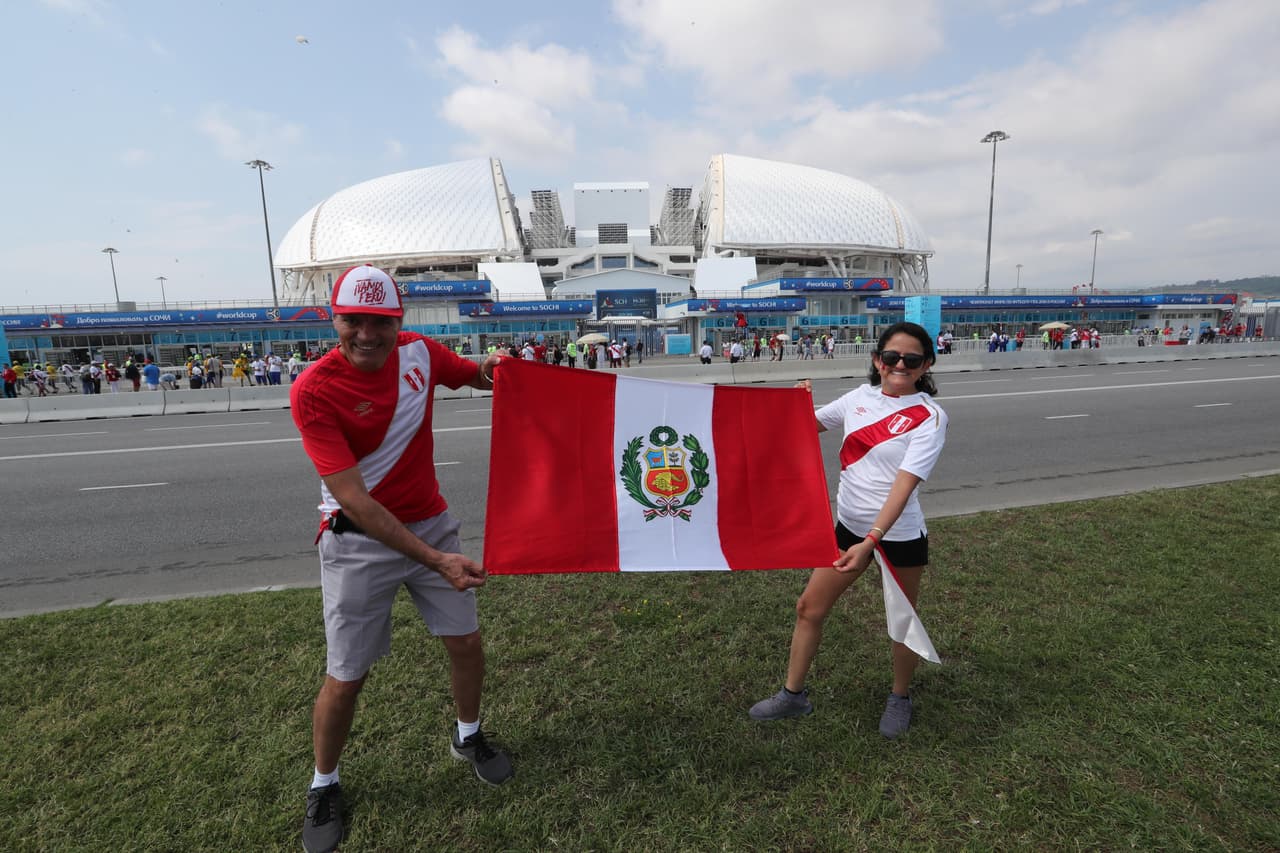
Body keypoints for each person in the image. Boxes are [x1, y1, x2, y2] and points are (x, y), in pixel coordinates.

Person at [290, 265, 513, 853]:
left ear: (400, 322)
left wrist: (499, 368)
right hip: (360, 543)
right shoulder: (313, 389)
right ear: (332, 318)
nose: (366, 333)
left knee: (466, 643)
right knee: (346, 676)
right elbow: (357, 502)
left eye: (379, 322)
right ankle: (324, 783)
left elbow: (477, 377)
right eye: (352, 320)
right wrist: (437, 560)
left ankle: (468, 736)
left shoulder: (421, 354)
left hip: (431, 527)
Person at [749, 322, 948, 740]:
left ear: (925, 365)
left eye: (911, 360)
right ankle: (793, 695)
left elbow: (904, 485)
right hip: (849, 529)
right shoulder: (859, 398)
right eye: (891, 357)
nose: (899, 365)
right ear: (877, 360)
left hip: (898, 536)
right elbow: (804, 426)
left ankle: (900, 697)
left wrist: (871, 541)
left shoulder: (930, 417)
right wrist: (796, 402)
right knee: (809, 608)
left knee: (902, 621)